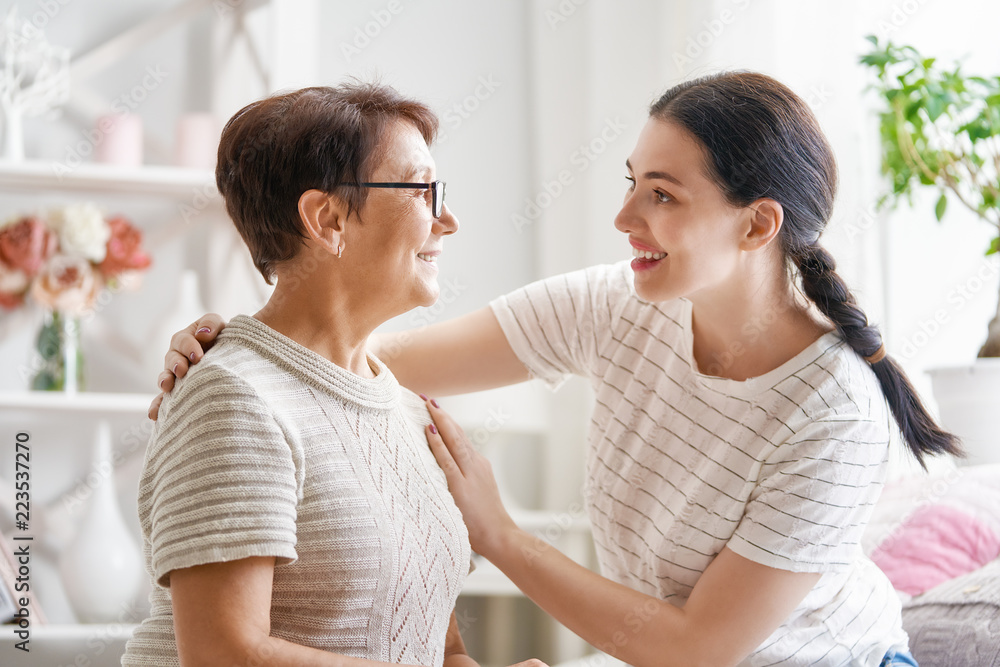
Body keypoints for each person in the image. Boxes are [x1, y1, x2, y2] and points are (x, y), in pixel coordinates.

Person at [153, 73, 955, 666]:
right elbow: (339, 364)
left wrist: (496, 533)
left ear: (757, 225)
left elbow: (698, 647)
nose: (624, 217)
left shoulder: (834, 409)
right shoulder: (618, 305)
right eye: (632, 183)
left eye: (664, 195)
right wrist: (234, 344)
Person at [124, 83, 545, 667]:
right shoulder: (232, 396)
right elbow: (224, 654)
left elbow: (436, 648)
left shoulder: (408, 410)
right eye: (424, 191)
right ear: (328, 219)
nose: (447, 219)